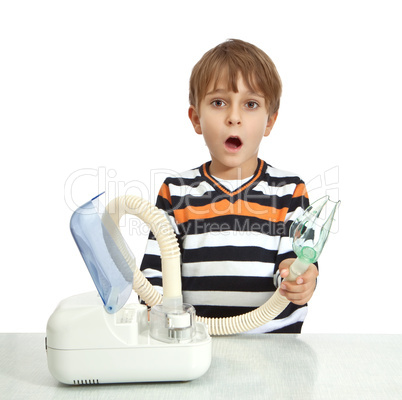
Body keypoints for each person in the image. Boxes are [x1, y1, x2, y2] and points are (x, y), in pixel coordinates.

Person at [140, 39, 318, 333]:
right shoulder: (177, 191)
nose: (233, 118)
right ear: (196, 119)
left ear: (269, 122)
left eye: (250, 104)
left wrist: (301, 279)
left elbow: (296, 263)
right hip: (196, 346)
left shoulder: (289, 191)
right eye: (218, 102)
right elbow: (154, 275)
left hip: (274, 350)